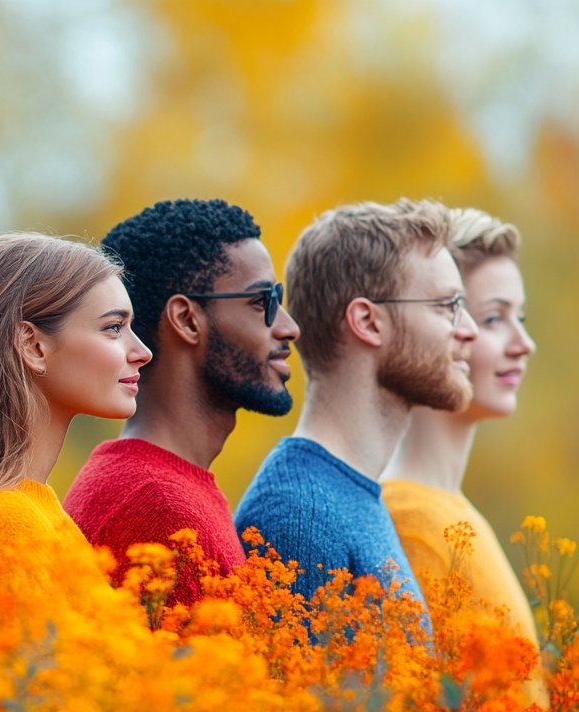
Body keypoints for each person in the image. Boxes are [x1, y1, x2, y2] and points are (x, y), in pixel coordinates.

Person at [234, 199, 477, 613]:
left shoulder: (353, 495)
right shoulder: (298, 518)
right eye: (447, 307)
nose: (469, 331)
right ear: (366, 322)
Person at [64, 200, 300, 605]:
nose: (288, 327)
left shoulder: (173, 488)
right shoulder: (156, 506)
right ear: (187, 320)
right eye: (263, 302)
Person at [0, 233, 151, 601]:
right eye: (113, 328)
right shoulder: (3, 524)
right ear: (32, 346)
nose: (142, 352)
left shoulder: (36, 512)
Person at [382, 209, 540, 651]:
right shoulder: (413, 521)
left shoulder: (456, 514)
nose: (523, 344)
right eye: (494, 319)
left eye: (520, 318)